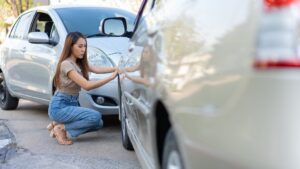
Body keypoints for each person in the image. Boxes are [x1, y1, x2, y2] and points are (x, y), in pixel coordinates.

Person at [47, 32, 118, 145]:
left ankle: (57, 125)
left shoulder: (79, 63)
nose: (83, 49)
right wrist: (111, 78)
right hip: (60, 106)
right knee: (95, 116)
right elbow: (87, 85)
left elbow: (97, 69)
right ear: (70, 46)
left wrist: (118, 69)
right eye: (80, 46)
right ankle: (61, 128)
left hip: (72, 103)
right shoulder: (66, 64)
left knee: (98, 123)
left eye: (84, 46)